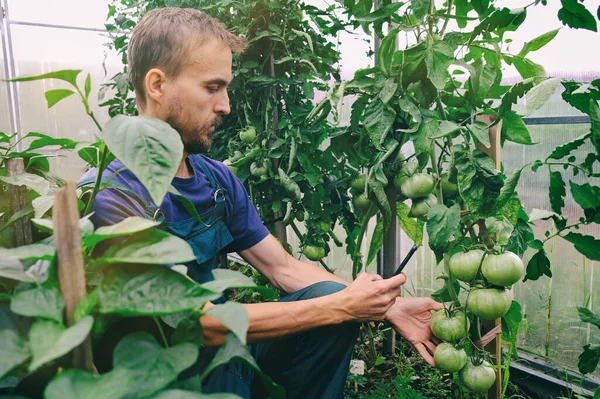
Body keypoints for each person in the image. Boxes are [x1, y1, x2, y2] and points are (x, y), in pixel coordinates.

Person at [80, 7, 443, 399]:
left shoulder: (215, 180)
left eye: (226, 88)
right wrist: (342, 306)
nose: (226, 105)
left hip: (229, 361)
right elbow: (195, 322)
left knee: (328, 300)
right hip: (169, 383)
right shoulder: (112, 197)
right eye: (212, 87)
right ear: (157, 84)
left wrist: (385, 307)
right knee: (332, 307)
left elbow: (283, 268)